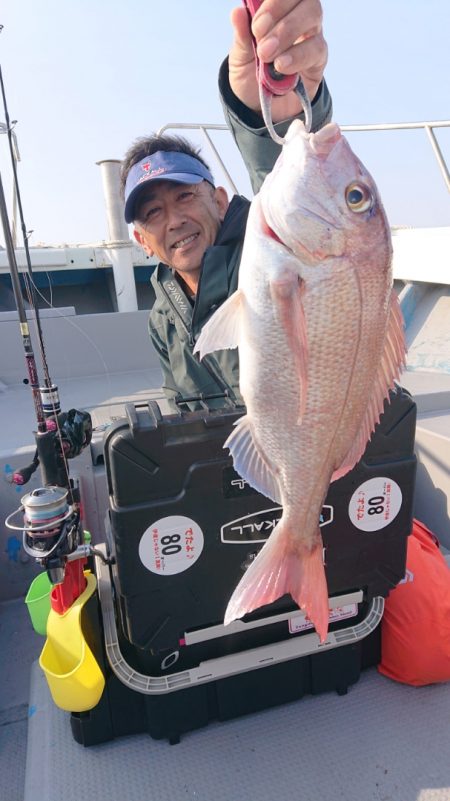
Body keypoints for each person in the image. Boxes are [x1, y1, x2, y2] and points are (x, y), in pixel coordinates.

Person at [120, 0, 331, 410]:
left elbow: (292, 196)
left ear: (219, 201)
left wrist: (272, 108)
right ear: (142, 241)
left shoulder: (270, 253)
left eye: (184, 196)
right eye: (153, 213)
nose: (175, 220)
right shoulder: (162, 318)